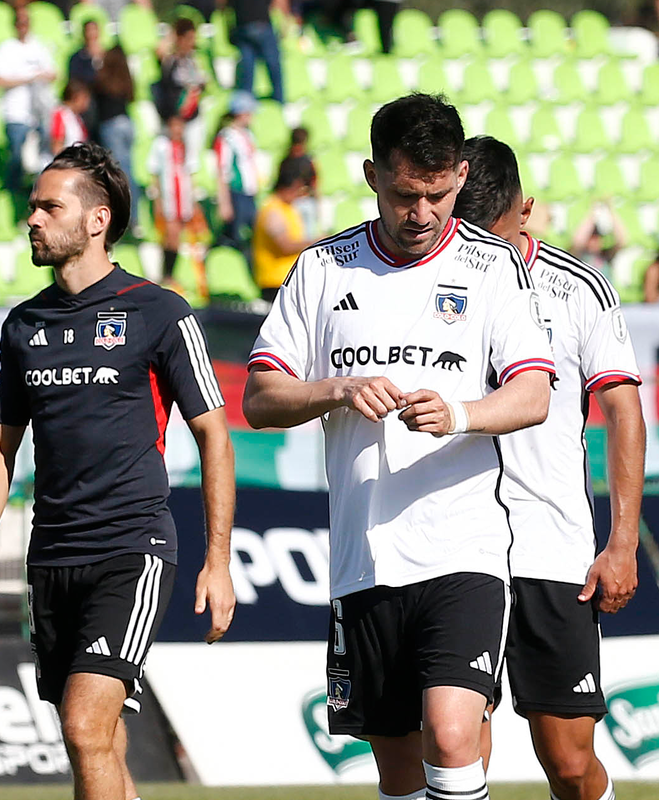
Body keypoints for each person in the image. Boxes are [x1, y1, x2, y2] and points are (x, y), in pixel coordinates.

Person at [242, 93, 555, 800]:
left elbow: (533, 394)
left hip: (464, 549)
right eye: (405, 194)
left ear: (461, 175)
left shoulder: (492, 267)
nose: (422, 215)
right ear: (371, 176)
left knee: (451, 732)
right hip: (364, 559)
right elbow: (260, 398)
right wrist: (336, 390)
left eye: (439, 196)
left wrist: (462, 413)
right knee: (397, 769)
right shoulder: (324, 270)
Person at [0, 142, 235, 800]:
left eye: (49, 207)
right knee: (96, 740)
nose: (32, 219)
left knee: (85, 726)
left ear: (96, 219)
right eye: (31, 207)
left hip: (130, 550)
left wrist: (217, 560)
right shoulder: (24, 324)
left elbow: (214, 436)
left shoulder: (159, 311)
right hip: (51, 556)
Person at [455, 136, 643, 800]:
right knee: (455, 745)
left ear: (526, 210)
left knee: (567, 760)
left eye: (497, 235)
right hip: (456, 547)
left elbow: (624, 412)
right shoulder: (437, 281)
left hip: (551, 547)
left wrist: (621, 544)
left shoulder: (577, 287)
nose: (486, 253)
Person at [0, 6, 56, 194]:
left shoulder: (39, 46)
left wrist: (38, 77)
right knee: (16, 158)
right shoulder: (7, 48)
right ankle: (12, 195)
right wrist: (28, 78)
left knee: (43, 158)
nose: (23, 26)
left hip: (38, 113)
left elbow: (53, 74)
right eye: (19, 22)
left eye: (26, 22)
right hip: (16, 112)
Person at [149, 113, 201, 284]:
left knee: (178, 238)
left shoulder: (186, 146)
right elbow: (155, 173)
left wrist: (193, 201)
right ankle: (166, 273)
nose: (177, 130)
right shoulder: (161, 145)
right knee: (170, 237)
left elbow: (191, 175)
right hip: (168, 197)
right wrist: (157, 200)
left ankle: (171, 274)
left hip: (183, 197)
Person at [253, 158, 315, 301]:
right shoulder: (272, 210)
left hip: (289, 279)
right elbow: (285, 245)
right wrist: (316, 242)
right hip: (274, 282)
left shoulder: (289, 209)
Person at [92, 44, 138, 234]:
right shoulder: (126, 80)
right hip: (127, 123)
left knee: (120, 175)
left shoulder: (104, 79)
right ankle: (133, 217)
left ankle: (127, 218)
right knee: (128, 172)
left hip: (112, 126)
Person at [213, 92, 260, 257]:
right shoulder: (226, 137)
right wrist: (224, 202)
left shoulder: (247, 134)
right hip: (236, 192)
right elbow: (222, 170)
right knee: (234, 237)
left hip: (249, 192)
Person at [227, 0, 285, 104]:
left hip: (242, 26)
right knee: (273, 64)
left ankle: (245, 105)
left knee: (247, 69)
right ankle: (280, 100)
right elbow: (276, 4)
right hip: (261, 23)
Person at [571, 200, 628, 281]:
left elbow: (622, 239)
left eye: (596, 238)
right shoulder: (580, 255)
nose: (594, 242)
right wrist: (592, 213)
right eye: (591, 238)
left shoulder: (606, 256)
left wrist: (611, 210)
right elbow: (577, 241)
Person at [51, 80, 91, 154]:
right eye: (85, 98)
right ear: (75, 97)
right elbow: (57, 146)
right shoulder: (61, 114)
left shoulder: (77, 117)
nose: (87, 102)